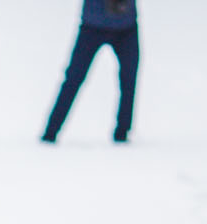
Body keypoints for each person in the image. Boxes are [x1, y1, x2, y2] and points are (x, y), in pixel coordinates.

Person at [41, 0, 139, 144]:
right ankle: (50, 132)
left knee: (129, 80)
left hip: (126, 27)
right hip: (93, 26)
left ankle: (122, 133)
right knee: (73, 79)